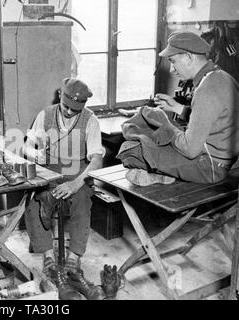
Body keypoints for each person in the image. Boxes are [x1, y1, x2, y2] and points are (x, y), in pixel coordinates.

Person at [118, 31, 239, 185]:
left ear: (189, 57)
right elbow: (217, 120)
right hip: (224, 160)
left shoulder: (207, 89)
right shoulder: (221, 76)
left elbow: (190, 149)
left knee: (131, 150)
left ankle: (161, 175)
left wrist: (166, 125)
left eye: (173, 61)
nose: (171, 69)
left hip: (210, 167)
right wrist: (178, 108)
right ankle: (162, 175)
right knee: (154, 133)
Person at [23, 77, 105, 300]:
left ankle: (74, 258)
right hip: (49, 172)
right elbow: (28, 145)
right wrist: (34, 153)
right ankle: (49, 258)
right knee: (34, 201)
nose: (69, 112)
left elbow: (96, 160)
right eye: (66, 106)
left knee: (81, 200)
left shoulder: (90, 120)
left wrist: (76, 182)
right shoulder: (45, 115)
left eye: (75, 109)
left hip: (77, 175)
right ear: (60, 95)